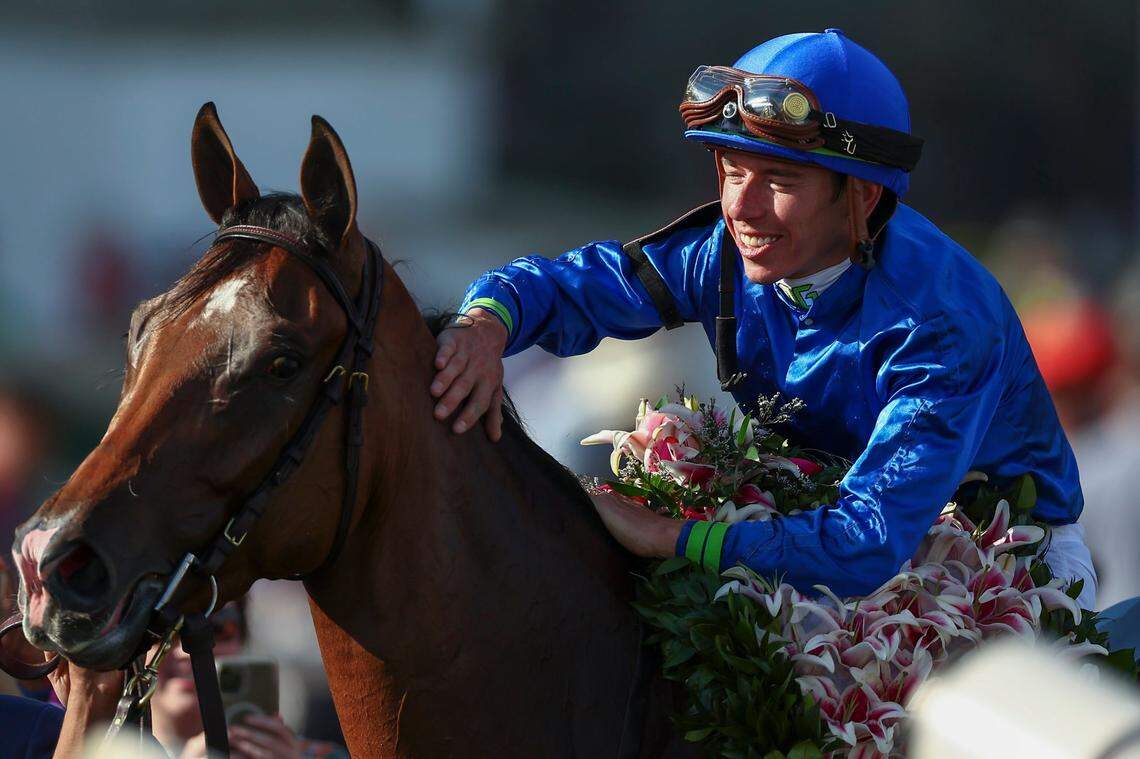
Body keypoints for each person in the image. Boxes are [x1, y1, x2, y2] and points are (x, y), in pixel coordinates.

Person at [429, 29, 1097, 606]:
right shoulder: (719, 256)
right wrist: (485, 325)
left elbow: (865, 543)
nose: (741, 209)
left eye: (778, 181)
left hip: (1004, 565)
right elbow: (569, 287)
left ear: (863, 196)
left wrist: (670, 536)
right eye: (730, 170)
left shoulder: (943, 324)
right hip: (816, 530)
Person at [46, 601, 346, 758]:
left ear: (244, 641)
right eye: (164, 633)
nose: (187, 653)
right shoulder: (82, 751)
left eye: (216, 630)